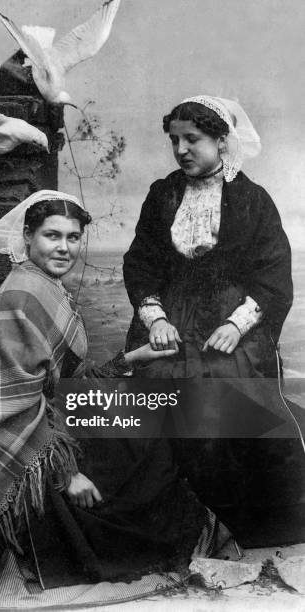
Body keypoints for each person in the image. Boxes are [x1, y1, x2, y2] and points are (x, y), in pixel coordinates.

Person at [0, 189, 232, 595]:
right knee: (138, 454)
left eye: (73, 237)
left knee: (147, 429)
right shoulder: (18, 298)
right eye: (52, 236)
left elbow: (65, 383)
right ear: (27, 237)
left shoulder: (45, 285)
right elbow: (10, 409)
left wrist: (132, 358)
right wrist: (69, 474)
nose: (64, 248)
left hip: (42, 419)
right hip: (4, 439)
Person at [123, 96, 302, 544]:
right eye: (174, 140)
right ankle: (179, 526)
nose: (181, 149)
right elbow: (141, 262)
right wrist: (155, 317)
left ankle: (242, 526)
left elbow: (273, 276)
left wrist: (238, 324)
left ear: (222, 142)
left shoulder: (252, 199)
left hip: (233, 323)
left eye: (193, 139)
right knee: (158, 382)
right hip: (173, 316)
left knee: (229, 393)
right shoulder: (162, 194)